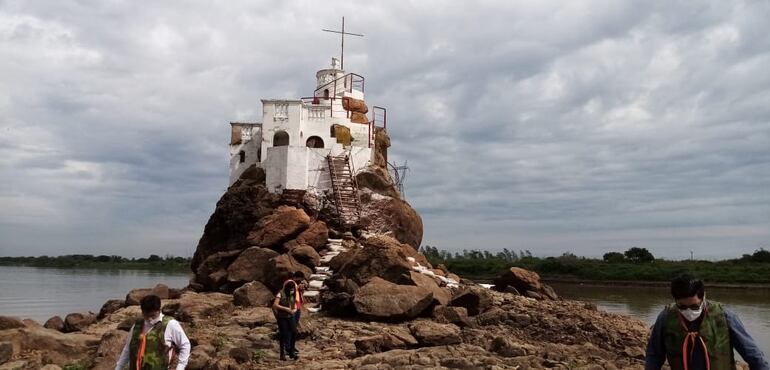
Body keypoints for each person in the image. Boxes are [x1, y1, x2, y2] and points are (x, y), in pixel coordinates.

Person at [645, 274, 769, 370]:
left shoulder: (724, 315)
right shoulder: (666, 317)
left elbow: (751, 352)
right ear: (675, 300)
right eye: (682, 307)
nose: (689, 311)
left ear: (703, 297)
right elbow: (654, 354)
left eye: (694, 306)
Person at [115, 294, 191, 370]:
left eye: (153, 315)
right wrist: (118, 367)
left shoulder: (170, 324)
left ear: (159, 310)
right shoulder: (136, 326)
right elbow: (127, 349)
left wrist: (180, 367)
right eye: (146, 315)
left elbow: (185, 345)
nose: (149, 319)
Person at [273, 279, 300, 361]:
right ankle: (282, 354)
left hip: (290, 316)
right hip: (282, 317)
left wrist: (293, 310)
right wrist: (285, 309)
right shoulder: (280, 293)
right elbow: (275, 305)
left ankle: (291, 351)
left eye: (293, 290)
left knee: (294, 331)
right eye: (291, 290)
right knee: (283, 334)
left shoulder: (291, 294)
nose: (292, 291)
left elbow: (293, 306)